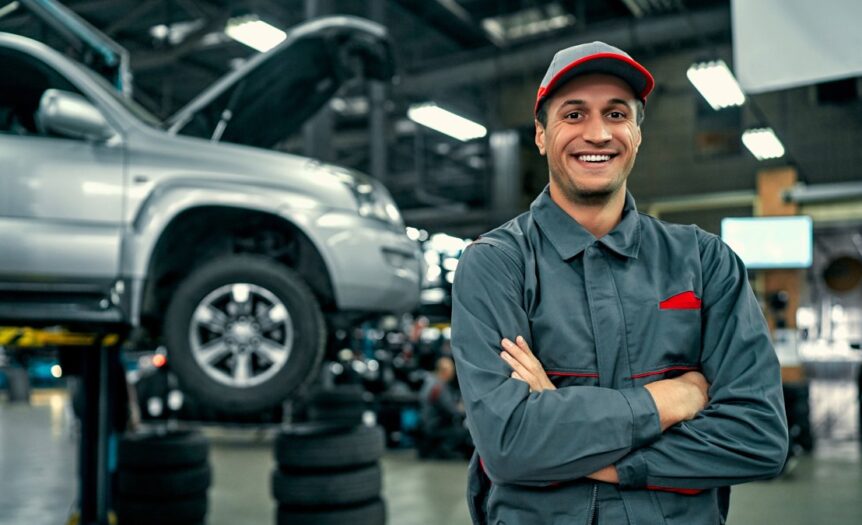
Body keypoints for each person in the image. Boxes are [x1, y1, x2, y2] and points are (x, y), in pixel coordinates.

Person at [451, 41, 788, 525]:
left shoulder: (705, 261)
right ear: (541, 136)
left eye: (616, 113)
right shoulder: (496, 265)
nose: (597, 133)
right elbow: (509, 444)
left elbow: (758, 437)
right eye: (573, 114)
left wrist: (592, 453)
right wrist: (676, 398)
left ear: (636, 133)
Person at [418, 356, 471, 459]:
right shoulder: (439, 386)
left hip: (427, 424)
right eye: (452, 370)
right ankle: (445, 450)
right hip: (436, 426)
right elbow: (451, 410)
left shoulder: (430, 382)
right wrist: (464, 410)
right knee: (466, 431)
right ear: (445, 371)